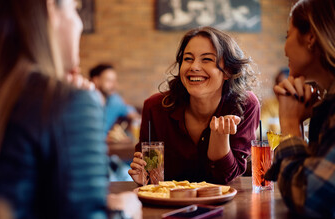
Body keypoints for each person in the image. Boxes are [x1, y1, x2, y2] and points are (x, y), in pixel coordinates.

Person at [0, 0, 141, 219]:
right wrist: (125, 215)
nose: (80, 23)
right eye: (75, 9)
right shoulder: (67, 103)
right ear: (50, 9)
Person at [129, 26, 260, 185]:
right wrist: (145, 177)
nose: (194, 67)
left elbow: (226, 177)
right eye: (188, 58)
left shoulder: (244, 105)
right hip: (168, 205)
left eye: (206, 59)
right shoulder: (155, 108)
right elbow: (151, 174)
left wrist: (219, 138)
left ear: (227, 71)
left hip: (224, 205)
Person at [265, 0, 335, 219]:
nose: (285, 47)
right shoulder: (327, 105)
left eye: (287, 36)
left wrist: (289, 122)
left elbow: (309, 197)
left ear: (311, 38)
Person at [89, 64, 141, 138]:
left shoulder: (115, 100)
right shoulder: (83, 101)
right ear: (96, 80)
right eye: (109, 80)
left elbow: (133, 115)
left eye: (115, 81)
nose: (114, 85)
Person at [260, 67, 289, 136]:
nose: (276, 88)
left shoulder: (301, 104)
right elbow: (261, 127)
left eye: (282, 84)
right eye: (276, 83)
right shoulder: (269, 104)